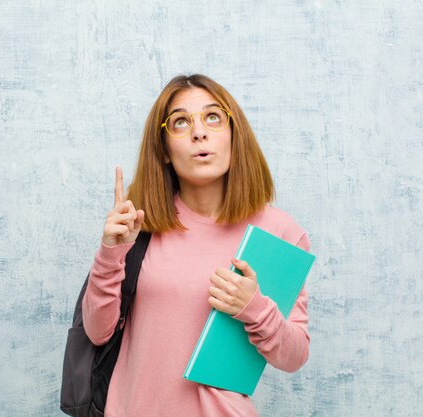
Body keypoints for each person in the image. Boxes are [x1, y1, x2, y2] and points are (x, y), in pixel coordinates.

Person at [82, 74, 311, 417]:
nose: (199, 132)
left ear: (235, 134)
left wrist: (254, 308)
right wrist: (110, 254)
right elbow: (99, 333)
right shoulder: (140, 224)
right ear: (163, 150)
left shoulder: (278, 232)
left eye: (213, 117)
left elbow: (294, 357)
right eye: (180, 122)